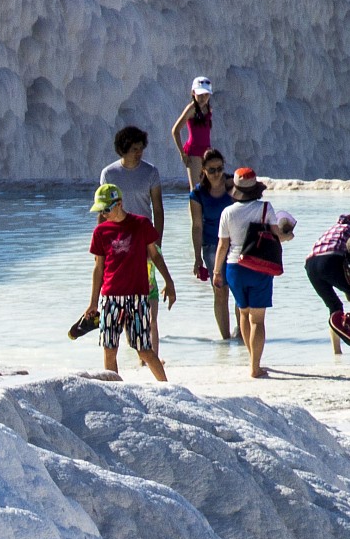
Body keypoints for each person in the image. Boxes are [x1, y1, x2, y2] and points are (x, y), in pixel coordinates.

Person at [81, 182, 177, 380]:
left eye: (106, 209)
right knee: (109, 349)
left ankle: (167, 387)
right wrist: (92, 303)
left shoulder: (141, 224)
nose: (104, 214)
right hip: (110, 299)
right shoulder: (100, 232)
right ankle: (115, 391)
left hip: (137, 298)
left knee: (144, 349)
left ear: (119, 203)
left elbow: (156, 255)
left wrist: (169, 282)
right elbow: (98, 268)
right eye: (100, 210)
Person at [215, 168, 294, 379]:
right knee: (257, 320)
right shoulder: (266, 208)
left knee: (243, 313)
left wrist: (216, 272)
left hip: (234, 268)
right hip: (259, 267)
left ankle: (252, 360)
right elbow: (278, 237)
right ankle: (255, 366)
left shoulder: (227, 212)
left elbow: (222, 246)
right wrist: (289, 235)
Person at [185, 148, 236, 339]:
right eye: (212, 170)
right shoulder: (198, 194)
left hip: (236, 243)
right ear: (203, 170)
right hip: (212, 246)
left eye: (220, 169)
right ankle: (226, 339)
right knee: (220, 291)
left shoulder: (232, 186)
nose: (216, 174)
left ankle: (241, 334)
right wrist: (197, 257)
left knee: (238, 290)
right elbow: (197, 226)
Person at [304, 209, 350, 350]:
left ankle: (336, 351)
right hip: (331, 259)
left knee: (334, 308)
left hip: (310, 264)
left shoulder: (338, 226)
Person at [100, 126, 165, 237]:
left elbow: (158, 209)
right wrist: (101, 246)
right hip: (117, 235)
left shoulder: (151, 172)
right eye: (135, 149)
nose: (139, 153)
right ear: (123, 149)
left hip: (143, 233)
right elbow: (103, 210)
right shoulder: (108, 174)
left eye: (141, 149)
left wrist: (157, 241)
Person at [171, 76, 214, 171]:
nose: (203, 98)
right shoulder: (191, 109)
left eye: (206, 95)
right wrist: (182, 153)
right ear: (193, 93)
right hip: (193, 151)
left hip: (207, 150)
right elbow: (175, 131)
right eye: (200, 94)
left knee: (206, 184)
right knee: (195, 185)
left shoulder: (208, 109)